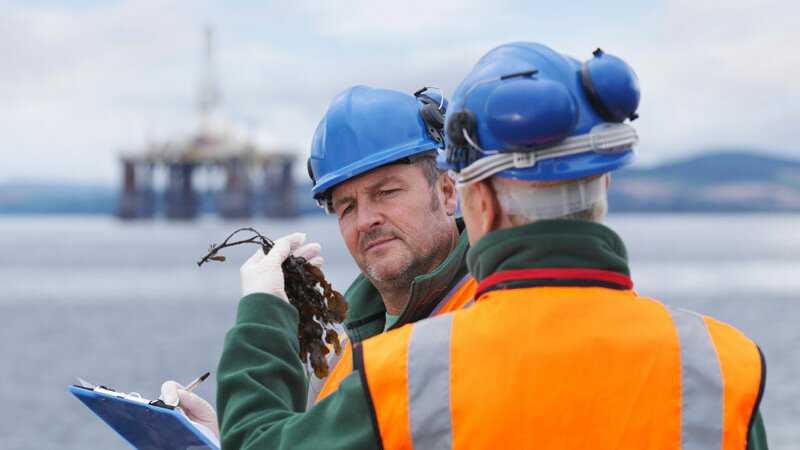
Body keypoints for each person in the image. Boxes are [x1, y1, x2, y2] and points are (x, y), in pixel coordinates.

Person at [351, 42, 768, 449]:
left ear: (483, 201)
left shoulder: (401, 372)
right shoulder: (723, 364)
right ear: (603, 182)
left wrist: (282, 321)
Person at [160, 85, 477, 447]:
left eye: (387, 192)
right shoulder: (342, 355)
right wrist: (223, 437)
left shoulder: (479, 320)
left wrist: (264, 314)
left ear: (448, 192)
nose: (366, 221)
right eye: (347, 207)